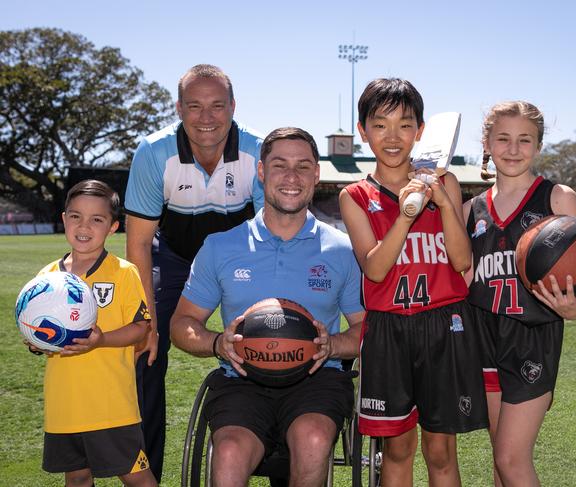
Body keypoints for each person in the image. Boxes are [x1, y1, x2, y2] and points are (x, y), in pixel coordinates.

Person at [170, 127, 364, 487]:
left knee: (314, 440)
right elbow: (182, 323)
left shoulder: (341, 249)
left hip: (317, 379)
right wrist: (217, 343)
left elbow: (364, 327)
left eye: (303, 166)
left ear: (316, 175)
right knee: (227, 453)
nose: (292, 177)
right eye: (280, 166)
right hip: (241, 379)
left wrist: (332, 345)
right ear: (261, 172)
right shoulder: (220, 246)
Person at [339, 78, 488, 487]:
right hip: (390, 329)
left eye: (404, 125)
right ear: (363, 130)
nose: (393, 136)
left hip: (444, 323)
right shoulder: (354, 195)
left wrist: (440, 201)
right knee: (398, 450)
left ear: (420, 131)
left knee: (440, 450)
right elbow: (375, 269)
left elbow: (461, 260)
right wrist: (406, 214)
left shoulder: (446, 183)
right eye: (380, 124)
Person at [124, 64, 264, 481]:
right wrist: (146, 322)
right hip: (175, 257)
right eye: (195, 106)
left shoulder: (258, 150)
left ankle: (282, 460)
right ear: (179, 108)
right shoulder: (154, 152)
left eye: (217, 106)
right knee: (144, 353)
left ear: (233, 107)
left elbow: (275, 231)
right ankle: (146, 473)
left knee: (275, 338)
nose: (207, 118)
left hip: (242, 258)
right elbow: (136, 246)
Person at [463, 101, 576, 487]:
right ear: (486, 143)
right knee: (498, 461)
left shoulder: (558, 198)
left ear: (538, 146)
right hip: (483, 338)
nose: (513, 148)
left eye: (525, 140)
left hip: (532, 340)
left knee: (511, 459)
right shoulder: (470, 210)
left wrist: (574, 309)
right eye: (502, 139)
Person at [28, 180, 156, 487]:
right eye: (75, 216)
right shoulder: (46, 278)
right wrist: (37, 341)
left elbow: (141, 329)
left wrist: (101, 340)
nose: (84, 226)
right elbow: (35, 329)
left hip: (111, 405)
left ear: (113, 227)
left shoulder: (123, 272)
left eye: (96, 219)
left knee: (137, 477)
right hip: (65, 404)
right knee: (77, 477)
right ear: (63, 219)